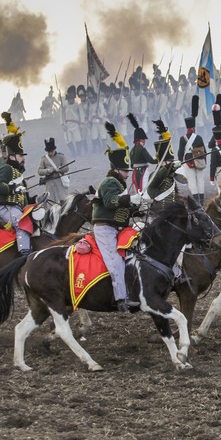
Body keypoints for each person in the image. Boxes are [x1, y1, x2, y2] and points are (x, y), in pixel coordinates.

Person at [93, 123, 143, 311]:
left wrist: (138, 206)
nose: (128, 174)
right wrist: (130, 198)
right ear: (116, 169)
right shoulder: (109, 182)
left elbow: (123, 208)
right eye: (125, 171)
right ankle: (121, 299)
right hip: (105, 228)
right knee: (115, 261)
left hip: (119, 228)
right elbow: (110, 202)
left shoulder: (118, 183)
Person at [0, 114, 31, 255]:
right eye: (21, 156)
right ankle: (24, 253)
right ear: (12, 156)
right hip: (5, 206)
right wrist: (13, 189)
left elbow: (24, 196)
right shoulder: (6, 168)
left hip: (15, 207)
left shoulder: (18, 173)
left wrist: (34, 200)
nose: (23, 159)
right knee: (22, 223)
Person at [143, 119, 180, 205]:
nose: (171, 163)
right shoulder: (155, 175)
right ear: (163, 162)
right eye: (168, 162)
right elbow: (154, 180)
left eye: (171, 162)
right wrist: (166, 168)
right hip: (158, 211)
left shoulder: (170, 176)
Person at [37, 137, 71, 203]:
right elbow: (39, 171)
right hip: (49, 184)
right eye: (49, 152)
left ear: (55, 149)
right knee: (51, 203)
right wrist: (47, 171)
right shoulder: (43, 159)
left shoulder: (61, 156)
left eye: (51, 151)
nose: (50, 153)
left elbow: (66, 168)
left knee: (64, 201)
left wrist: (60, 169)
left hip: (60, 182)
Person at [127, 114, 152, 193]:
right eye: (143, 139)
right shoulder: (142, 149)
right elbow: (151, 160)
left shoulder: (132, 150)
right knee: (144, 190)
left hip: (135, 173)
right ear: (141, 139)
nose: (144, 141)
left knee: (137, 191)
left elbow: (131, 165)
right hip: (143, 172)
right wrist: (158, 158)